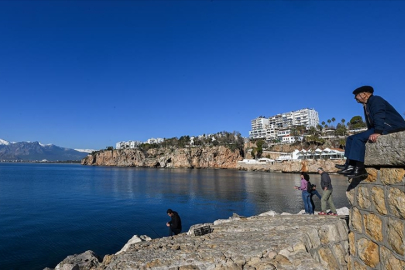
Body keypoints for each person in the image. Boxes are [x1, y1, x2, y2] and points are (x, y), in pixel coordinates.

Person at [336, 85, 405, 178]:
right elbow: (370, 123)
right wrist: (370, 131)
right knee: (350, 138)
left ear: (364, 94)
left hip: (391, 126)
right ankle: (349, 165)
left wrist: (377, 131)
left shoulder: (376, 100)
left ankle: (359, 168)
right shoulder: (367, 105)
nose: (355, 98)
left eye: (356, 95)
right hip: (380, 127)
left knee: (358, 138)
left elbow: (379, 115)